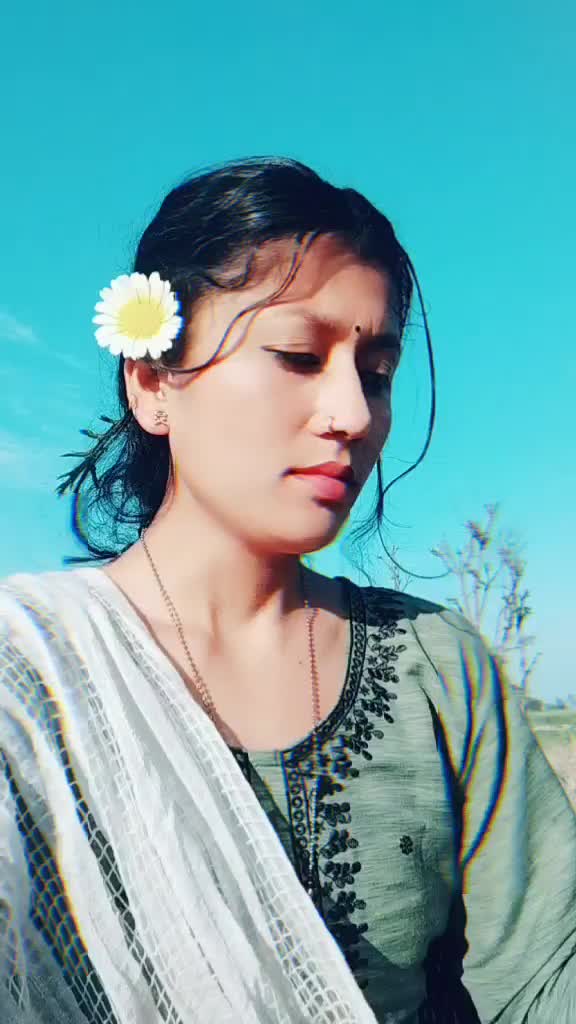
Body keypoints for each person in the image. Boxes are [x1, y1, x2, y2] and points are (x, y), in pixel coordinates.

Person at [0, 157, 575, 1024]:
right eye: (299, 356)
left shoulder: (436, 666)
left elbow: (542, 977)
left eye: (376, 373)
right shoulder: (28, 679)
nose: (354, 414)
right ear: (152, 383)